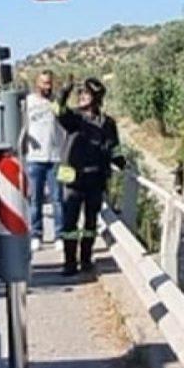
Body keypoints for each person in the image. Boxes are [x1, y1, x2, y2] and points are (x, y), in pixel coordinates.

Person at [53, 78, 122, 276]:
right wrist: (64, 92)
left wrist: (120, 161)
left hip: (96, 179)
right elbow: (58, 110)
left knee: (91, 224)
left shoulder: (108, 123)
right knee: (70, 224)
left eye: (86, 94)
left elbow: (114, 146)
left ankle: (86, 259)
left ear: (96, 98)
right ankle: (69, 262)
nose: (82, 97)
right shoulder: (74, 118)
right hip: (73, 180)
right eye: (80, 93)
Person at [22, 70, 67, 247]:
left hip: (55, 157)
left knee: (58, 199)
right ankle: (36, 234)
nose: (47, 87)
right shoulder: (28, 102)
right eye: (44, 83)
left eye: (50, 83)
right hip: (34, 157)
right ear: (37, 83)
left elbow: (66, 121)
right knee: (36, 199)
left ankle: (59, 236)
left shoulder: (57, 101)